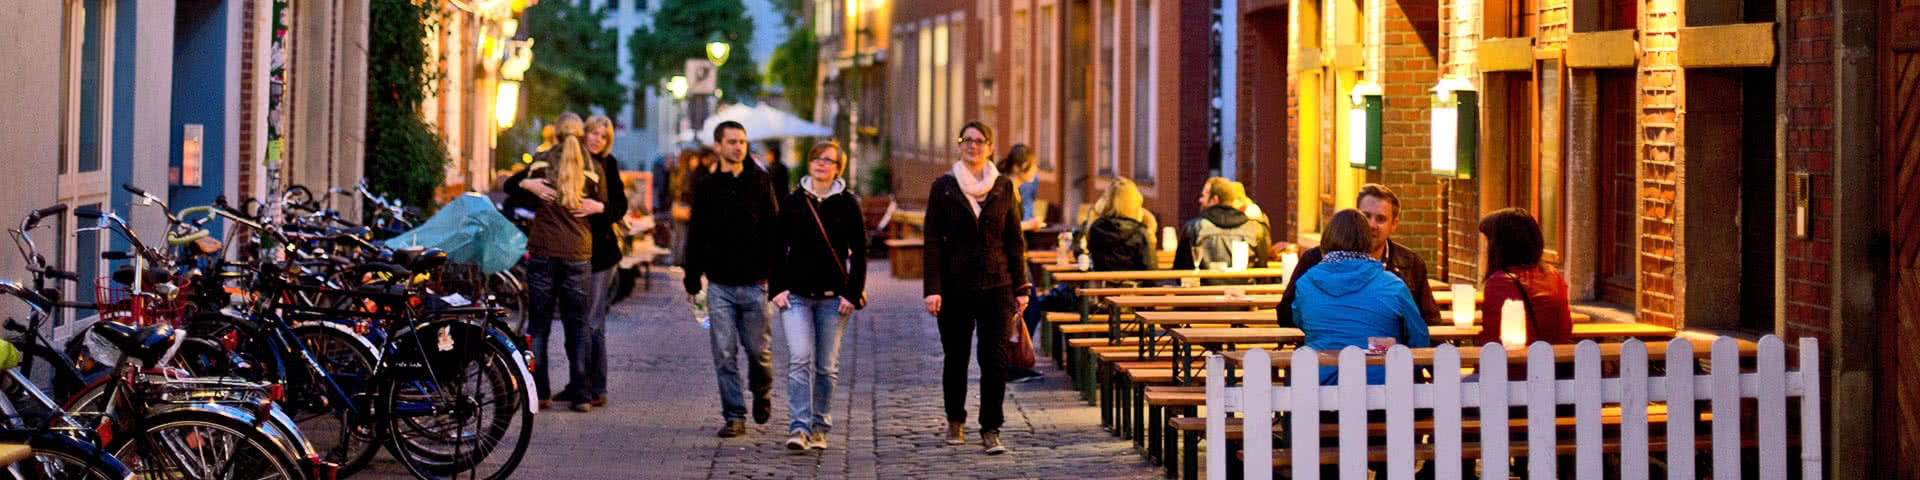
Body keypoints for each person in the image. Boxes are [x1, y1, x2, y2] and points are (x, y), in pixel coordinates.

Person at [923, 121, 1030, 455]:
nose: (973, 146)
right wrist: (933, 288)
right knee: (956, 357)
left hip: (997, 285)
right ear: (959, 146)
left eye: (980, 141)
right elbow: (932, 242)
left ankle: (991, 428)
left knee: (994, 359)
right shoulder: (944, 187)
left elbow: (1015, 240)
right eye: (967, 140)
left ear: (990, 147)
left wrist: (1022, 286)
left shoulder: (1003, 187)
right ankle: (955, 420)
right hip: (955, 287)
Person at [501, 112, 608, 411]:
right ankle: (583, 396)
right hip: (578, 253)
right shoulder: (593, 165)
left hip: (544, 250)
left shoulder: (541, 160)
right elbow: (602, 205)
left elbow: (512, 190)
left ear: (555, 133)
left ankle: (541, 393)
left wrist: (528, 186)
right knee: (578, 327)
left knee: (539, 326)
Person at [684, 121, 781, 438]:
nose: (738, 147)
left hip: (755, 283)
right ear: (718, 146)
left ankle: (762, 390)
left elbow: (774, 231)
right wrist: (692, 277)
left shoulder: (760, 181)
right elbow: (696, 233)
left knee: (758, 353)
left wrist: (776, 278)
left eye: (742, 141)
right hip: (720, 285)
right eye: (731, 142)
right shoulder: (706, 186)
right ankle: (734, 416)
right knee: (724, 354)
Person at [770, 141, 868, 452]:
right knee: (799, 359)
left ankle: (820, 425)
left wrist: (852, 293)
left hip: (833, 299)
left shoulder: (848, 203)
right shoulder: (793, 201)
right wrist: (778, 288)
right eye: (816, 159)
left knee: (826, 366)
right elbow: (775, 247)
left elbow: (862, 253)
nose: (821, 164)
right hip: (796, 296)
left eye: (828, 160)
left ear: (838, 167)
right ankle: (798, 428)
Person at [1291, 209, 1432, 385]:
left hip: (1321, 386)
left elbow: (1300, 320)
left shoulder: (1306, 284)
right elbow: (1419, 337)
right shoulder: (1393, 285)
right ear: (1367, 242)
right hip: (1384, 387)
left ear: (1326, 241)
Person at [1276, 183, 1442, 328]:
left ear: (1394, 224)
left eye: (1381, 219)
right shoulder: (1315, 259)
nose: (1372, 225)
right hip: (1326, 351)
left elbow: (1430, 320)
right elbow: (1285, 314)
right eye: (1366, 216)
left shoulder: (1411, 263)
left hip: (1391, 356)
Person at [577, 115, 627, 411]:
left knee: (594, 323)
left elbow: (620, 207)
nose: (597, 139)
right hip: (575, 252)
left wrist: (599, 207)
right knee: (578, 323)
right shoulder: (572, 162)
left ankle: (598, 387)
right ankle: (578, 383)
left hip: (602, 254)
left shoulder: (609, 165)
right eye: (593, 133)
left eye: (603, 136)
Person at [1477, 207, 1573, 346]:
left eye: (1488, 239)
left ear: (1500, 245)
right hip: (1553, 362)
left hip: (1516, 364)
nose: (1486, 245)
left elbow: (1494, 337)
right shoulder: (1553, 275)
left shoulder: (1501, 282)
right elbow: (1566, 328)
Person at [1171, 177, 1272, 275]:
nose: (1200, 200)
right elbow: (1262, 268)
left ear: (1215, 199)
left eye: (1204, 195)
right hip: (1243, 290)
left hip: (1204, 290)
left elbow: (1180, 269)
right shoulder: (1255, 228)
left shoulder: (1194, 227)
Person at [1084, 178, 1159, 271]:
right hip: (1134, 284)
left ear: (1108, 200)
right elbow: (1151, 271)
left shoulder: (1095, 229)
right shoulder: (1140, 233)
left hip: (1101, 284)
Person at [998, 144, 1042, 227]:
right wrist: (1030, 224)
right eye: (1031, 165)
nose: (1035, 169)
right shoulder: (1005, 189)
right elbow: (1002, 226)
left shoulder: (1014, 189)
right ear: (1016, 168)